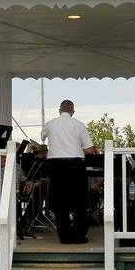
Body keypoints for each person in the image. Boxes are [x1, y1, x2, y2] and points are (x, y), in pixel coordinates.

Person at [40, 100, 98, 244]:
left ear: (59, 110)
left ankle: (64, 237)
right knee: (80, 201)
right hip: (75, 164)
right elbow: (89, 149)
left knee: (60, 202)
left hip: (56, 165)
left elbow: (42, 139)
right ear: (73, 111)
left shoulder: (50, 124)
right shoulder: (79, 125)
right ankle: (78, 236)